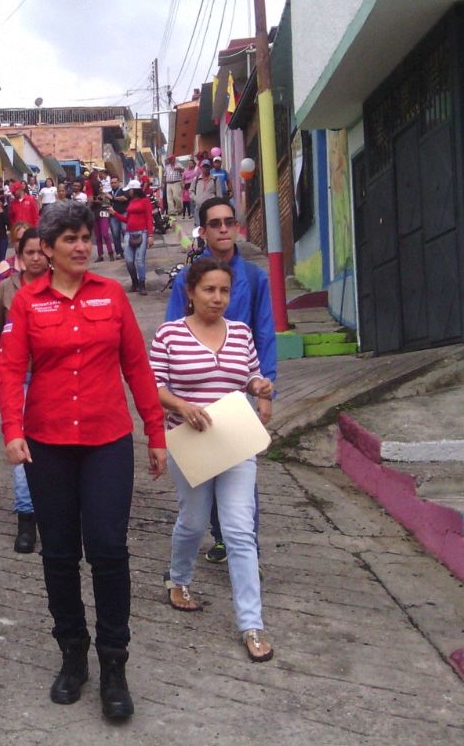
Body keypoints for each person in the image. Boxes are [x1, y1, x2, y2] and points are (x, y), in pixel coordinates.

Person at [0, 200, 165, 720]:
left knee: (110, 550)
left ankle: (114, 662)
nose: (81, 246)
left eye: (85, 237)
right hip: (47, 444)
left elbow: (137, 368)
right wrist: (12, 430)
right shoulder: (27, 303)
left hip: (107, 440)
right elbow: (9, 370)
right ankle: (73, 654)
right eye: (68, 238)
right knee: (59, 554)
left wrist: (155, 433)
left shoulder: (112, 296)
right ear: (44, 249)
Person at [150, 258, 277, 662]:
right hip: (189, 443)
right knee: (193, 519)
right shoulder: (169, 335)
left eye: (223, 291)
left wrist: (259, 386)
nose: (217, 299)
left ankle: (252, 624)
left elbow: (250, 376)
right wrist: (182, 406)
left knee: (240, 530)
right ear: (190, 291)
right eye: (209, 290)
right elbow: (152, 386)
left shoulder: (240, 334)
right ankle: (179, 579)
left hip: (234, 440)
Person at [164, 197, 277, 564]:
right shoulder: (188, 279)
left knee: (240, 479)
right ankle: (218, 535)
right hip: (194, 394)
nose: (224, 228)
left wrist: (264, 390)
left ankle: (244, 548)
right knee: (202, 474)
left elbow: (264, 332)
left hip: (238, 388)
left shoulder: (255, 277)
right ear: (204, 231)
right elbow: (171, 330)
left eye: (230, 221)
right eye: (215, 223)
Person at [0, 230, 48, 553]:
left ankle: (55, 514)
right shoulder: (7, 288)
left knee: (53, 450)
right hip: (17, 379)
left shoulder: (60, 286)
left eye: (40, 252)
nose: (35, 258)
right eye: (28, 252)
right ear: (19, 255)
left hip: (52, 381)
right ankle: (26, 518)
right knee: (20, 452)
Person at [112, 180, 153, 295]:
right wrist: (114, 213)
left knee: (140, 260)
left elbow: (149, 218)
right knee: (129, 260)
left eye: (129, 190)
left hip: (142, 232)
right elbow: (127, 220)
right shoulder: (130, 202)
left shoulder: (145, 201)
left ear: (134, 190)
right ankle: (134, 282)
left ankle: (142, 284)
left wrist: (150, 235)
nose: (128, 192)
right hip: (129, 233)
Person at [89, 187, 116, 263]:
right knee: (97, 236)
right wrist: (92, 201)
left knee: (105, 234)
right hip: (95, 215)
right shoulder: (91, 196)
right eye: (98, 186)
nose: (100, 188)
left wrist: (97, 201)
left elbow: (107, 203)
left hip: (104, 214)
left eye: (101, 186)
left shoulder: (105, 195)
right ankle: (100, 255)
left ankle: (110, 252)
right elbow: (89, 206)